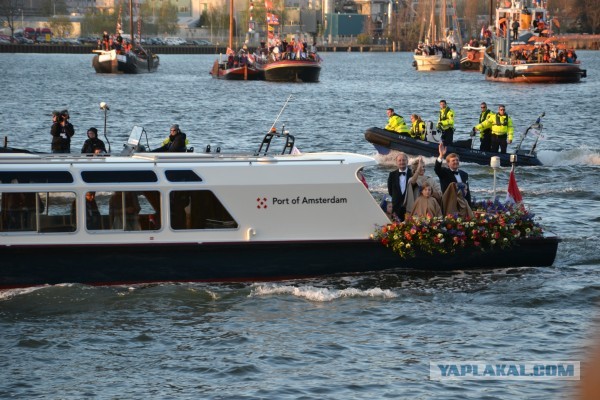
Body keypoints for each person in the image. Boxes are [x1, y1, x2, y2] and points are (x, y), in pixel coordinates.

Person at [434, 142, 472, 206]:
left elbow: (467, 192)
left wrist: (469, 206)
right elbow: (437, 169)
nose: (456, 162)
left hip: (463, 203)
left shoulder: (464, 174)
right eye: (453, 160)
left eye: (457, 160)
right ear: (448, 163)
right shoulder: (444, 172)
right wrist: (441, 155)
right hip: (449, 203)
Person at [387, 152, 412, 222]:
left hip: (409, 206)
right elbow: (390, 191)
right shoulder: (392, 175)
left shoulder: (412, 173)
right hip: (396, 207)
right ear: (396, 162)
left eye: (403, 160)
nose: (402, 162)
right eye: (399, 160)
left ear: (407, 161)